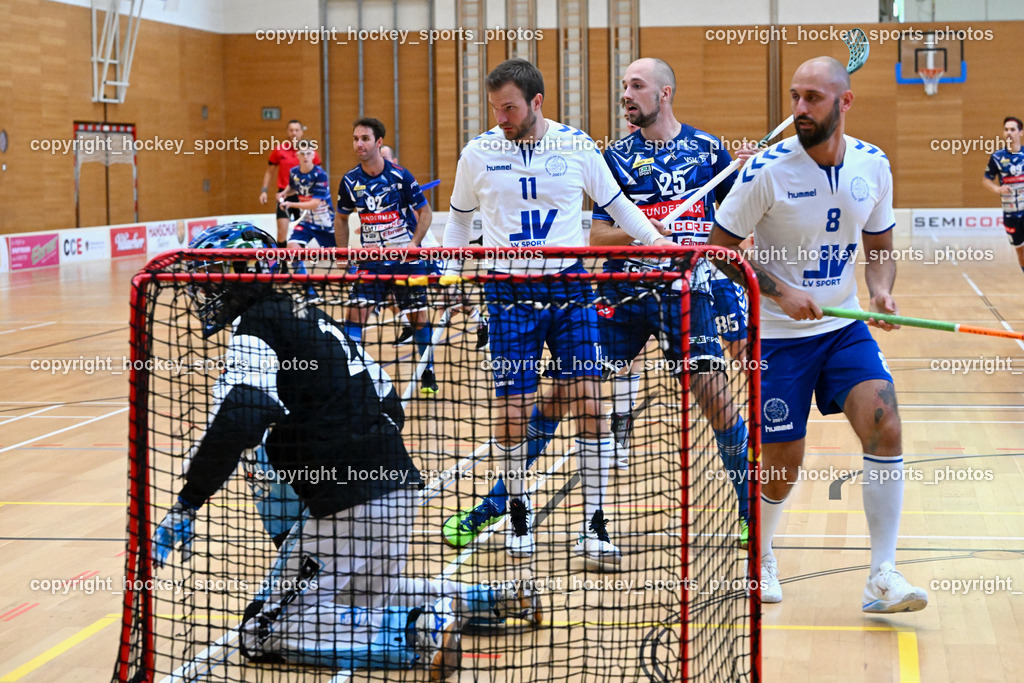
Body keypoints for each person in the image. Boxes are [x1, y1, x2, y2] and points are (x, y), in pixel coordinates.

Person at [151, 222, 542, 679]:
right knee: (358, 596)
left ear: (247, 271)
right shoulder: (316, 318)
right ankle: (486, 598)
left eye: (217, 274)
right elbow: (391, 403)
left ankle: (418, 631)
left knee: (260, 632)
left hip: (347, 504)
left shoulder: (257, 326)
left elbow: (242, 414)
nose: (209, 288)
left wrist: (187, 503)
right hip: (399, 491)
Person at [707, 56, 929, 613]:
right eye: (795, 96)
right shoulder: (767, 171)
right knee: (782, 462)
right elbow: (717, 249)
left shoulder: (874, 165)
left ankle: (881, 575)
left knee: (887, 425)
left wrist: (880, 293)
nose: (799, 109)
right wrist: (780, 291)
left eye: (812, 98)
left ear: (844, 102)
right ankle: (762, 555)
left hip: (842, 327)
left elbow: (879, 251)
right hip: (778, 337)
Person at [441, 58, 673, 570]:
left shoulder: (576, 146)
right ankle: (518, 515)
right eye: (495, 108)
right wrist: (449, 272)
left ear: (537, 102)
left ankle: (594, 525)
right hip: (508, 290)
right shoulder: (478, 153)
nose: (501, 117)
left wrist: (654, 240)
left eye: (510, 108)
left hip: (571, 287)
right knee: (512, 411)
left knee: (592, 402)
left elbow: (618, 207)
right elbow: (457, 224)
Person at [588, 57, 754, 543]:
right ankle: (501, 505)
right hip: (624, 292)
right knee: (568, 392)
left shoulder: (707, 150)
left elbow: (737, 219)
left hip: (687, 294)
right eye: (623, 86)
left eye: (636, 86)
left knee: (718, 405)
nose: (626, 94)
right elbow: (598, 237)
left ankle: (749, 511)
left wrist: (747, 172)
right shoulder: (613, 158)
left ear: (664, 93)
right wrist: (644, 232)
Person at [336, 118, 439, 394]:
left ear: (378, 142)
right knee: (354, 316)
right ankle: (351, 375)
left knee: (419, 318)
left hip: (406, 263)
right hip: (372, 263)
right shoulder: (349, 180)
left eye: (365, 138)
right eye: (356, 138)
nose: (359, 143)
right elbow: (341, 218)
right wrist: (342, 252)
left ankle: (427, 372)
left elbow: (425, 212)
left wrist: (415, 243)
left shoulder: (400, 176)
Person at [260, 120, 323, 244]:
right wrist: (264, 191)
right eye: (291, 130)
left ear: (301, 132)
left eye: (297, 130)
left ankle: (298, 262)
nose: (294, 133)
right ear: (287, 132)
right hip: (284, 196)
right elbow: (269, 172)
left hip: (304, 197)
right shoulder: (279, 150)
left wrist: (318, 195)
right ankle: (282, 263)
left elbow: (319, 174)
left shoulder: (310, 152)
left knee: (303, 232)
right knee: (282, 231)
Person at [982, 116, 1024, 274]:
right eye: (1006, 129)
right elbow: (986, 180)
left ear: (1020, 133)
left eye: (1012, 130)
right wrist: (997, 189)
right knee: (1020, 251)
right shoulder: (997, 157)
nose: (1009, 133)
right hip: (1010, 213)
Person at [277, 141, 335, 248]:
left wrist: (290, 204)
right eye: (302, 153)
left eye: (308, 153)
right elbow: (293, 187)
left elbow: (314, 204)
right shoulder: (294, 172)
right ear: (297, 155)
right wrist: (284, 193)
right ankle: (299, 265)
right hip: (306, 221)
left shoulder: (320, 175)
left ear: (313, 155)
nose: (306, 156)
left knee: (340, 259)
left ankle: (353, 265)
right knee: (292, 249)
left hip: (325, 223)